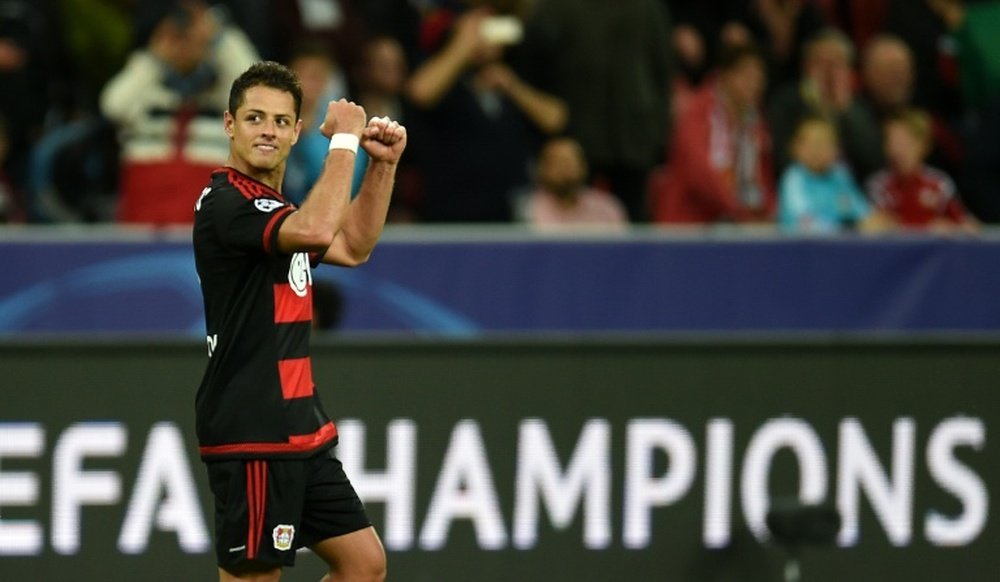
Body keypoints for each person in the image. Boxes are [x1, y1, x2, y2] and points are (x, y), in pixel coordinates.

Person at [192, 60, 405, 581]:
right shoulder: (228, 203)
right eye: (254, 118)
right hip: (253, 430)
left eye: (281, 121)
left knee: (363, 564)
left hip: (300, 430)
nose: (267, 130)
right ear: (228, 125)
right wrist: (345, 143)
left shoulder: (274, 206)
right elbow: (314, 232)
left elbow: (352, 246)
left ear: (295, 132)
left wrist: (381, 165)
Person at [100, 0, 259, 224]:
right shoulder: (144, 92)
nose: (185, 45)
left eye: (193, 38)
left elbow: (258, 91)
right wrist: (154, 57)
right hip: (141, 225)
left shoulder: (227, 98)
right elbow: (113, 106)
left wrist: (220, 37)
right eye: (178, 37)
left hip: (208, 228)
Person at [653, 43, 776, 225]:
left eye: (759, 77)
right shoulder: (698, 114)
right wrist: (739, 212)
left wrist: (767, 213)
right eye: (746, 76)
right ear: (725, 75)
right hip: (690, 223)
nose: (754, 84)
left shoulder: (754, 121)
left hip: (735, 224)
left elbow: (763, 175)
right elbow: (700, 173)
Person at [767, 28, 882, 183]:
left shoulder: (858, 107)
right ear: (806, 67)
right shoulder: (786, 103)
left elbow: (874, 163)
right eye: (820, 62)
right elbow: (781, 161)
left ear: (849, 70)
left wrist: (845, 111)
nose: (829, 71)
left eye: (837, 63)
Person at [866, 109, 977, 232]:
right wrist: (926, 228)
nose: (897, 149)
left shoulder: (939, 184)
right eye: (892, 141)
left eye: (905, 141)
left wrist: (951, 227)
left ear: (924, 145)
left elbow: (968, 226)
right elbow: (871, 226)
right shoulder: (878, 185)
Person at [777, 115, 887, 233]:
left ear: (836, 149)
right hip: (803, 248)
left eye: (824, 143)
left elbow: (862, 212)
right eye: (812, 143)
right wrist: (849, 228)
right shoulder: (794, 179)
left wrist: (874, 222)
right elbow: (803, 223)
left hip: (843, 245)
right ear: (796, 148)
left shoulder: (840, 175)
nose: (817, 150)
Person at [519, 136, 628, 228]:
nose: (565, 168)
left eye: (571, 161)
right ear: (542, 169)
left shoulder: (608, 209)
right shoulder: (528, 211)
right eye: (558, 162)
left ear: (583, 166)